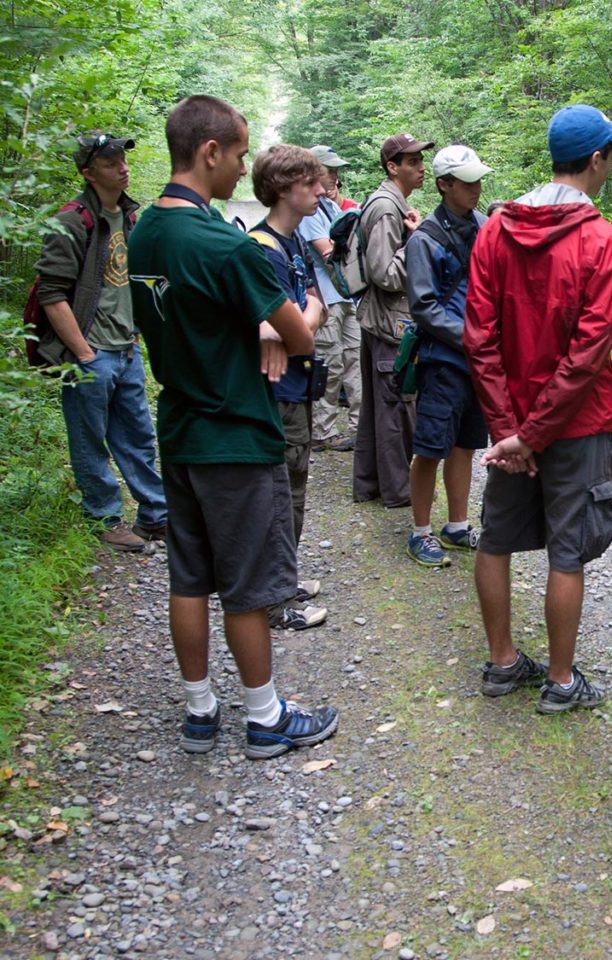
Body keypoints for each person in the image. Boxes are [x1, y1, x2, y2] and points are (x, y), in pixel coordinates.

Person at [127, 95, 338, 758]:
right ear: (210, 151)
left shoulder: (143, 236)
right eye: (241, 153)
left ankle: (198, 711)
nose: (243, 166)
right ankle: (265, 717)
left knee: (188, 576)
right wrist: (305, 307)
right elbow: (300, 338)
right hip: (236, 435)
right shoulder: (222, 243)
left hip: (181, 427)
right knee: (246, 583)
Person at [463, 104, 612, 713]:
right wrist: (530, 437)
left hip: (511, 423)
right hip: (576, 425)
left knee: (496, 537)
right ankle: (561, 682)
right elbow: (588, 354)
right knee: (568, 549)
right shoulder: (604, 242)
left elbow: (478, 337)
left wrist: (509, 430)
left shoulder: (495, 229)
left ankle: (503, 662)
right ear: (595, 160)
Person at [33, 132, 167, 551]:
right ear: (89, 172)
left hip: (125, 348)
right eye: (110, 163)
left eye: (123, 160)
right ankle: (105, 518)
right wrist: (84, 352)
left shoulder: (129, 218)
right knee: (90, 440)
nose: (122, 168)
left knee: (140, 436)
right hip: (91, 353)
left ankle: (155, 515)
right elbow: (50, 293)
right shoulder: (72, 221)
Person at [248, 144, 331, 631]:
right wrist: (297, 325)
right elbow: (294, 327)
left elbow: (315, 305)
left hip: (297, 385)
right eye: (310, 183)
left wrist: (300, 323)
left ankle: (286, 578)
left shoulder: (295, 242)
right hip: (278, 392)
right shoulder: (262, 249)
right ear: (283, 189)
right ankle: (276, 600)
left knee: (295, 488)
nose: (321, 190)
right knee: (281, 494)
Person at [403, 145, 493, 567]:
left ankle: (456, 525)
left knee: (465, 445)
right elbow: (423, 306)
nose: (476, 188)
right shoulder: (424, 239)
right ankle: (419, 531)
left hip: (479, 360)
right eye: (467, 182)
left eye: (478, 180)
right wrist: (472, 337)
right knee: (431, 447)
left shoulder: (484, 225)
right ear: (444, 185)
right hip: (444, 360)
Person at [352, 132, 433, 508]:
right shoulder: (387, 207)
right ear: (392, 167)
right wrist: (417, 243)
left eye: (420, 160)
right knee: (396, 409)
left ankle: (370, 484)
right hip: (389, 323)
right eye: (413, 162)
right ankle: (399, 492)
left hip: (379, 321)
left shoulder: (390, 202)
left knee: (378, 410)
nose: (421, 168)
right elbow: (384, 273)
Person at [297, 145, 361, 452]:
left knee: (355, 359)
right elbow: (327, 253)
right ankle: (321, 432)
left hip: (348, 297)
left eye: (336, 171)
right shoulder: (309, 211)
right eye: (329, 170)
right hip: (328, 298)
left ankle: (358, 428)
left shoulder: (331, 208)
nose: (335, 177)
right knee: (330, 363)